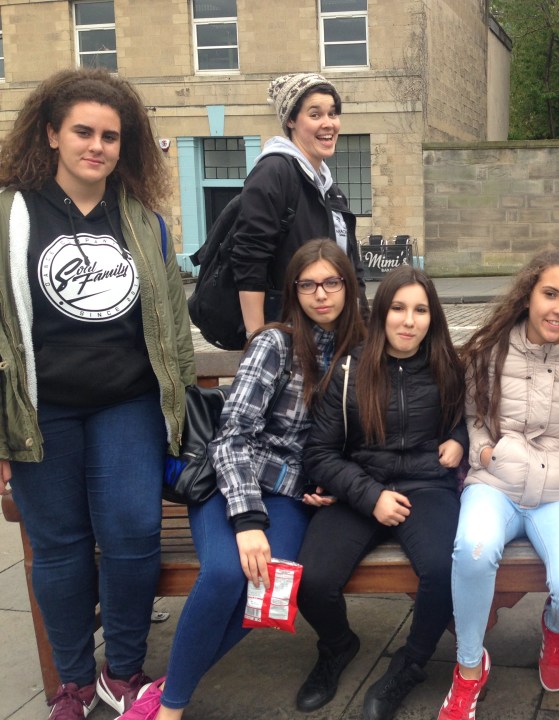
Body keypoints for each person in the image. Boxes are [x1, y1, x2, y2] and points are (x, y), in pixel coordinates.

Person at [0, 68, 194, 719]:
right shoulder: (10, 214)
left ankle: (125, 670)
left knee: (133, 532)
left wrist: (178, 412)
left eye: (110, 136)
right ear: (51, 134)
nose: (97, 146)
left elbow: (172, 326)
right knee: (58, 548)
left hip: (126, 405)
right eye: (83, 131)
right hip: (41, 410)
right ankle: (75, 683)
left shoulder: (142, 221)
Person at [119, 240, 366, 720]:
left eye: (331, 282)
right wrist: (248, 519)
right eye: (308, 284)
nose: (321, 294)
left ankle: (168, 689)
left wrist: (330, 481)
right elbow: (232, 437)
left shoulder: (360, 353)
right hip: (230, 483)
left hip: (292, 496)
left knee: (267, 588)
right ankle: (170, 709)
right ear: (293, 291)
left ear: (348, 287)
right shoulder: (276, 345)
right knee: (225, 574)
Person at [436, 249, 559, 720]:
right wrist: (485, 454)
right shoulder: (491, 349)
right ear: (529, 294)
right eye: (550, 294)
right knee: (472, 551)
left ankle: (554, 627)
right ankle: (469, 667)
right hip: (496, 486)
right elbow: (474, 418)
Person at [295, 265, 467, 720]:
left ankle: (409, 665)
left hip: (426, 487)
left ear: (432, 317)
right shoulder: (349, 371)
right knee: (312, 580)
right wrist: (371, 496)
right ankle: (337, 645)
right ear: (381, 313)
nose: (409, 321)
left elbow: (465, 421)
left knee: (444, 568)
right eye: (398, 308)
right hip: (361, 486)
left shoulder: (447, 367)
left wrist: (459, 439)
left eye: (420, 310)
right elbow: (319, 453)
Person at [232, 72, 368, 336]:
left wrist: (362, 328)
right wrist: (258, 338)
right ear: (291, 120)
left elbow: (352, 266)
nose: (328, 124)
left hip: (335, 334)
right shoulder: (274, 172)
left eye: (333, 113)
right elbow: (250, 257)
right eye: (315, 114)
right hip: (289, 332)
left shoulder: (331, 190)